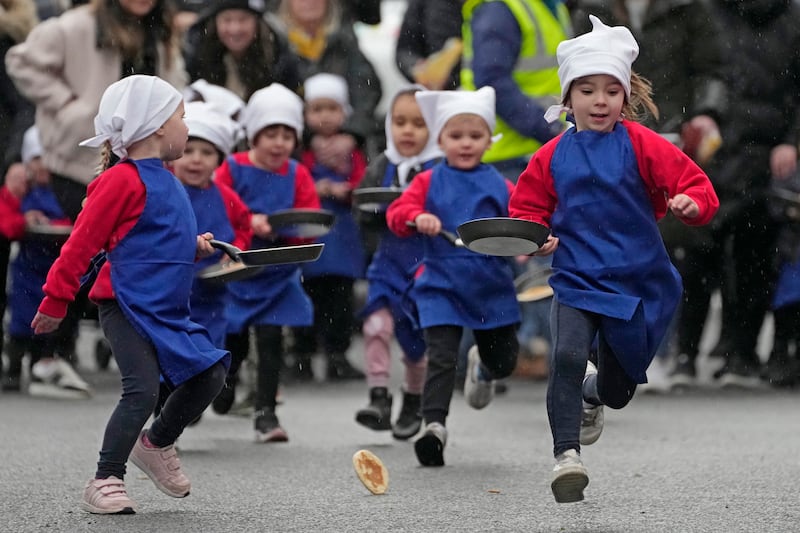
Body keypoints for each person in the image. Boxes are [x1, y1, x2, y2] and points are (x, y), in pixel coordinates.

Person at [508, 16, 719, 503]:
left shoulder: (643, 144)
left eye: (610, 91)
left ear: (625, 97)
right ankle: (566, 457)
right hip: (578, 276)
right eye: (586, 90)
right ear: (568, 98)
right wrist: (535, 237)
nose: (599, 101)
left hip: (636, 285)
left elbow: (695, 185)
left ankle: (592, 395)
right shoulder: (551, 155)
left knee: (619, 391)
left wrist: (690, 203)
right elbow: (527, 211)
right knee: (564, 356)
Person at [30, 75, 229, 514]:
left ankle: (156, 444)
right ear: (156, 125)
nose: (186, 128)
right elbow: (81, 244)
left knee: (210, 373)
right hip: (125, 303)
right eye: (181, 118)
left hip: (167, 306)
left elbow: (150, 241)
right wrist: (55, 300)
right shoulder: (121, 180)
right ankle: (105, 479)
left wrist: (193, 249)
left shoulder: (170, 181)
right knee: (141, 390)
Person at [6, 0, 188, 371]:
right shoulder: (76, 24)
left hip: (144, 153)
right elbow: (20, 61)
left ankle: (120, 345)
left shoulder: (161, 26)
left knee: (125, 245)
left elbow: (175, 80)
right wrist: (72, 105)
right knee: (87, 241)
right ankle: (53, 349)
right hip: (81, 155)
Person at [568, 0, 728, 390]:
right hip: (606, 135)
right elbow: (576, 72)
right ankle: (593, 354)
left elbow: (714, 66)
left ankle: (659, 351)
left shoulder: (690, 6)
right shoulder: (592, 7)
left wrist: (707, 112)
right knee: (599, 246)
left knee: (667, 253)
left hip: (673, 130)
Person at [386, 86, 521, 467]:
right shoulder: (427, 180)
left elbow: (523, 220)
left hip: (491, 286)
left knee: (504, 362)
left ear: (488, 140)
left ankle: (484, 367)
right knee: (441, 358)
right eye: (455, 136)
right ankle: (434, 427)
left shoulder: (499, 183)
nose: (465, 144)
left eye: (475, 136)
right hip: (440, 284)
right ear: (440, 139)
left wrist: (529, 242)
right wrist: (416, 217)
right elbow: (397, 213)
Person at [686, 0, 800, 387]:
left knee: (756, 255)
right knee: (698, 251)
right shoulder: (706, 12)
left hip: (767, 155)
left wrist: (792, 141)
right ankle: (687, 354)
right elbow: (698, 72)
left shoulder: (793, 16)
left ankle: (742, 353)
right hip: (713, 149)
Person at [213, 83, 321, 442]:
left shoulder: (298, 174)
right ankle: (224, 384)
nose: (279, 143)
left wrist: (284, 229)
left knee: (273, 341)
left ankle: (266, 414)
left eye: (287, 135)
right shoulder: (231, 168)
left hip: (278, 271)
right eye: (270, 134)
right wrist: (249, 220)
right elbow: (214, 209)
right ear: (253, 136)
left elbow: (310, 221)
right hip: (237, 271)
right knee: (234, 340)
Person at [353, 85, 442, 439]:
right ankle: (378, 397)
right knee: (376, 326)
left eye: (419, 124)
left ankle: (413, 397)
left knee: (416, 342)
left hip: (425, 266)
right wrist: (374, 215)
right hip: (388, 262)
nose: (407, 131)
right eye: (400, 122)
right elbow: (361, 207)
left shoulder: (441, 169)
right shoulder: (382, 165)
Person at [152, 101, 251, 418]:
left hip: (211, 296)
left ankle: (190, 403)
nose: (196, 159)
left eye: (206, 153)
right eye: (189, 150)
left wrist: (235, 256)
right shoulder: (163, 190)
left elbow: (244, 228)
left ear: (219, 160)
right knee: (163, 357)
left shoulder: (226, 196)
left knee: (205, 354)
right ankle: (162, 418)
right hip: (167, 294)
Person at [291, 73, 368, 381]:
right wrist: (315, 187)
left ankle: (337, 353)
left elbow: (363, 182)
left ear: (344, 113)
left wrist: (345, 188)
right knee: (306, 296)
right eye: (317, 109)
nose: (324, 116)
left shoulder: (352, 149)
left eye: (331, 109)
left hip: (341, 235)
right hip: (309, 233)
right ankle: (303, 355)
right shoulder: (300, 150)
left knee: (340, 297)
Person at [6, 126, 92, 398]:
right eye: (37, 159)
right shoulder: (22, 194)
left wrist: (55, 224)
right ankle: (14, 367)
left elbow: (76, 220)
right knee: (21, 320)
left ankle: (41, 363)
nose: (43, 166)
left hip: (55, 268)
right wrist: (25, 221)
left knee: (48, 320)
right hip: (27, 270)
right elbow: (6, 221)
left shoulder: (66, 194)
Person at [266, 0, 382, 156]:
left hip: (348, 144)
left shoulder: (344, 41)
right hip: (294, 143)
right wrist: (309, 137)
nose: (309, 3)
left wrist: (352, 134)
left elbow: (367, 92)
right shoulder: (275, 44)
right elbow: (276, 99)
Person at [184, 0, 301, 101]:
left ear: (257, 23)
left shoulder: (279, 59)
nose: (235, 29)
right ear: (215, 23)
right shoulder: (198, 57)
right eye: (227, 20)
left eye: (243, 19)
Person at [0, 161, 27, 391]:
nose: (23, 185)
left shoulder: (22, 201)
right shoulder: (6, 200)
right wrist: (26, 221)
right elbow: (9, 227)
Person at [394, 0, 463, 91]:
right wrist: (416, 67)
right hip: (436, 92)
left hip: (476, 91)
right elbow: (405, 49)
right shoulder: (424, 4)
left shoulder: (484, 5)